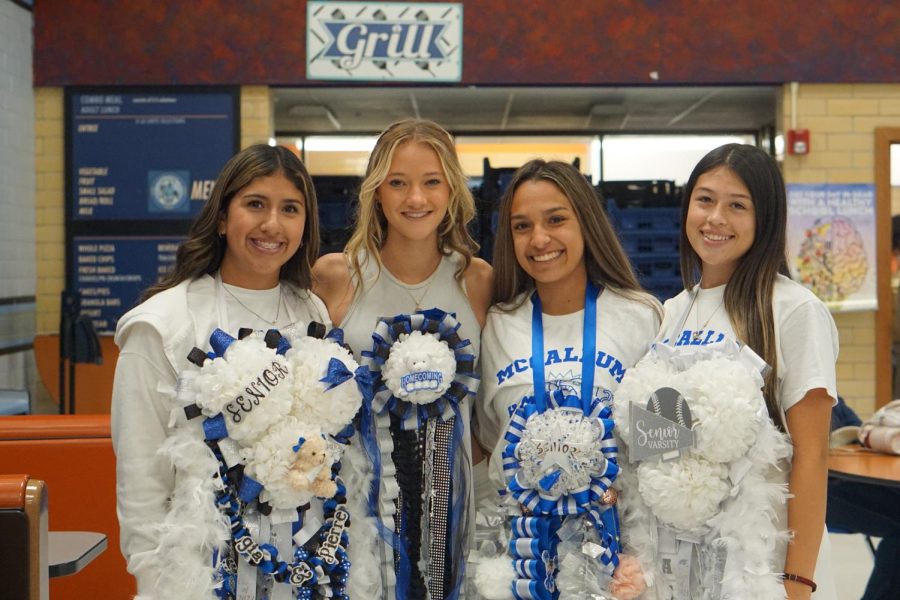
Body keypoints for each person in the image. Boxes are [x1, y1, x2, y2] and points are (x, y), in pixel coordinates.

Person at [111, 145, 330, 597]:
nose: (272, 224)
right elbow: (141, 481)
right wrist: (156, 584)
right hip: (201, 572)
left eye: (290, 209)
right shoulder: (161, 325)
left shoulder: (312, 311)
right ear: (222, 217)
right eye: (255, 205)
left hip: (303, 565)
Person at [312, 118, 492, 599]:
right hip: (356, 513)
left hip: (453, 515)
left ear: (453, 190)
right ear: (376, 192)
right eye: (398, 183)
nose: (416, 199)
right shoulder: (335, 277)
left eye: (432, 182)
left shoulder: (477, 281)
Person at [657, 143, 839, 599]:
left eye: (737, 205)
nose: (716, 218)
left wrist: (797, 584)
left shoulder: (794, 310)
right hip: (683, 562)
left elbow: (812, 455)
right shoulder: (672, 312)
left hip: (764, 568)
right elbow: (659, 439)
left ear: (765, 220)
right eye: (705, 200)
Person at [473, 159, 661, 597]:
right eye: (522, 226)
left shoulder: (643, 314)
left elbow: (669, 449)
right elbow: (490, 443)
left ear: (586, 222)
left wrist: (644, 558)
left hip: (620, 564)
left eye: (556, 219)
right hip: (521, 561)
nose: (539, 239)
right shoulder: (499, 324)